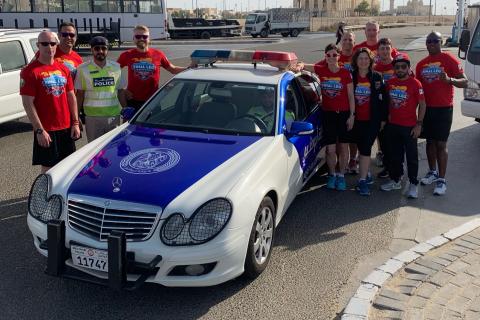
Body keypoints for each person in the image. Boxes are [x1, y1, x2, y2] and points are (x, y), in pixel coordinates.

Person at [20, 31, 81, 173]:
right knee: (49, 169)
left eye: (53, 43)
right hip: (46, 129)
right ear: (38, 45)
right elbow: (28, 104)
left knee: (69, 167)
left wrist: (76, 123)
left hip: (66, 127)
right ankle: (46, 195)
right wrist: (39, 130)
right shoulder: (30, 72)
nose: (49, 47)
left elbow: (71, 97)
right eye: (45, 44)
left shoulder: (64, 69)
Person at [415, 31, 468, 195]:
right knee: (429, 143)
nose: (431, 43)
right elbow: (416, 89)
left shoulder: (449, 59)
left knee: (441, 144)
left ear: (441, 42)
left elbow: (465, 81)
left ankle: (442, 180)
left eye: (435, 41)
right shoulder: (421, 64)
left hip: (444, 109)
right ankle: (432, 172)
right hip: (427, 110)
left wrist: (450, 80)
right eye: (428, 41)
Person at [301, 44, 355, 190]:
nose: (331, 58)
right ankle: (332, 174)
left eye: (334, 55)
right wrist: (297, 65)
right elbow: (303, 66)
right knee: (330, 149)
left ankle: (341, 175)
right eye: (328, 55)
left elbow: (351, 96)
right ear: (325, 56)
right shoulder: (321, 69)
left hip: (343, 114)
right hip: (329, 114)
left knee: (343, 148)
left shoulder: (345, 73)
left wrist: (352, 115)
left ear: (339, 56)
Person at [381, 53, 426, 199]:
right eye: (397, 67)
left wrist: (419, 125)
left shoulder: (416, 83)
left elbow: (423, 105)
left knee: (412, 157)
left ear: (408, 68)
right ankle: (396, 180)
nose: (400, 69)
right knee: (395, 156)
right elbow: (386, 102)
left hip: (409, 127)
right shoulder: (390, 83)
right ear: (394, 68)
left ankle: (413, 183)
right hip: (393, 126)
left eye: (403, 66)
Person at [117, 25, 187, 111]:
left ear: (149, 38)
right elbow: (113, 71)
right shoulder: (126, 55)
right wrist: (123, 90)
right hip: (132, 100)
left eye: (144, 36)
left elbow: (172, 69)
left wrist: (190, 68)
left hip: (153, 100)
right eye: (138, 36)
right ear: (133, 38)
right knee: (131, 125)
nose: (141, 39)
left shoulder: (158, 54)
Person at [350, 48, 388, 196]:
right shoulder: (351, 77)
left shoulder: (377, 77)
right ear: (356, 61)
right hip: (356, 120)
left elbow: (384, 100)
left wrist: (383, 118)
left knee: (366, 148)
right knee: (361, 147)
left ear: (370, 60)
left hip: (372, 121)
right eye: (361, 58)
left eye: (366, 58)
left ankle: (362, 180)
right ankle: (365, 173)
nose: (364, 61)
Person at [75, 36, 127, 142]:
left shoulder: (116, 67)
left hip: (113, 116)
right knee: (95, 152)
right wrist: (76, 118)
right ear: (92, 50)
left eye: (104, 48)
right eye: (97, 48)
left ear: (107, 49)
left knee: (112, 148)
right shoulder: (82, 69)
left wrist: (126, 110)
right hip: (92, 118)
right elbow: (79, 94)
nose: (100, 51)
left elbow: (120, 91)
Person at [373, 37, 396, 178]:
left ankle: (397, 168)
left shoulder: (399, 65)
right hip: (382, 110)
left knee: (396, 141)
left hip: (398, 109)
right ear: (378, 51)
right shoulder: (375, 68)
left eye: (388, 48)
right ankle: (388, 167)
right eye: (382, 48)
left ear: (392, 49)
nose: (385, 51)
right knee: (384, 140)